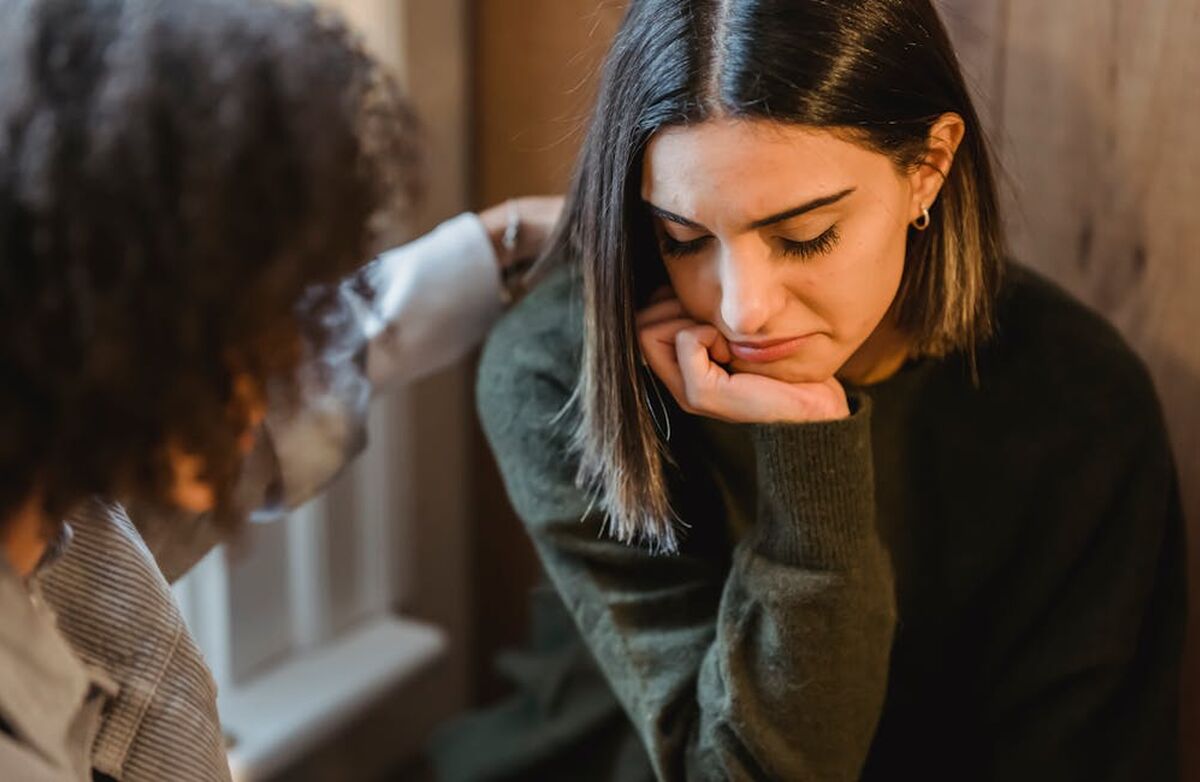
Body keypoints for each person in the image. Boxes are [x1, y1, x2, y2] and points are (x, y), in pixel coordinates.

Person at [439, 0, 1186, 779]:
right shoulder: (563, 368)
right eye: (684, 240)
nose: (740, 308)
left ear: (929, 166)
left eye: (803, 236)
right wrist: (809, 465)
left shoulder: (1077, 401)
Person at [0, 0, 558, 779]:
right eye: (263, 325)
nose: (282, 371)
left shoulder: (60, 495)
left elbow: (338, 352)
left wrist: (508, 241)